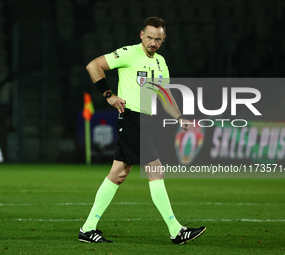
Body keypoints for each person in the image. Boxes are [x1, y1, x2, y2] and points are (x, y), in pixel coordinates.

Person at [79, 17, 206, 244]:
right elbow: (93, 66)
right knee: (155, 170)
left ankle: (87, 229)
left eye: (157, 39)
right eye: (149, 38)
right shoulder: (128, 53)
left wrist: (179, 118)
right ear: (141, 35)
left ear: (163, 39)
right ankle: (176, 230)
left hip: (143, 121)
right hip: (130, 119)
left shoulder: (161, 63)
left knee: (118, 174)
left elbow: (164, 96)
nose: (153, 43)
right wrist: (108, 95)